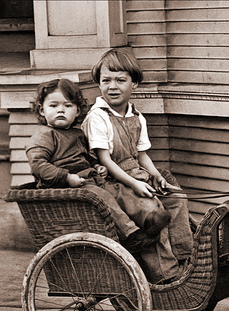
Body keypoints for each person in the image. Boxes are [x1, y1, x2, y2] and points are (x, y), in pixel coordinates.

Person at [82, 48, 193, 284]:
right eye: (106, 80)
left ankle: (184, 257)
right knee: (154, 212)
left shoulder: (137, 116)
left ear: (135, 84)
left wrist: (154, 176)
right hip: (112, 181)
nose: (113, 86)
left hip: (135, 174)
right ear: (98, 84)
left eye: (121, 80)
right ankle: (165, 274)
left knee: (176, 199)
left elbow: (142, 155)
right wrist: (136, 184)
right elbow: (105, 160)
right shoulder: (98, 117)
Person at [25, 78, 154, 252]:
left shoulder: (77, 134)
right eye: (53, 106)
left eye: (68, 106)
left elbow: (85, 157)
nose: (61, 110)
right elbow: (39, 166)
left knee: (119, 191)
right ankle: (130, 235)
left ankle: (149, 219)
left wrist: (96, 166)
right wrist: (67, 177)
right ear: (42, 110)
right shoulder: (44, 136)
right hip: (62, 187)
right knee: (102, 197)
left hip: (87, 180)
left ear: (78, 110)